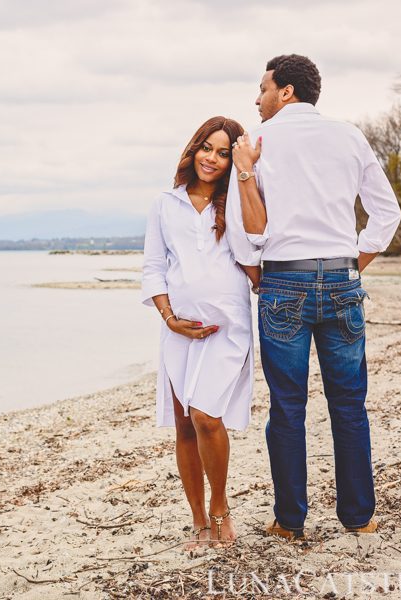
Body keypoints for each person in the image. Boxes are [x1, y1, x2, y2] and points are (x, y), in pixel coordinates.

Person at [228, 54, 401, 540]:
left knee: (287, 407)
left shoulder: (256, 143)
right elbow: (387, 213)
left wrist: (260, 278)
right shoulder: (349, 136)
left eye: (263, 88)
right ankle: (359, 518)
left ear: (286, 91)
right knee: (349, 404)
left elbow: (243, 231)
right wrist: (352, 264)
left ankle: (290, 521)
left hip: (284, 280)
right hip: (342, 279)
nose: (257, 98)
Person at [141, 116, 260, 548]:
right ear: (193, 149)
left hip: (228, 328)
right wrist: (169, 317)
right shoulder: (165, 204)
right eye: (206, 148)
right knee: (184, 425)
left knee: (206, 417)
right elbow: (154, 266)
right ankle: (198, 520)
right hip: (179, 331)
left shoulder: (238, 202)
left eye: (223, 153)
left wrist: (246, 173)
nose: (212, 158)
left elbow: (258, 241)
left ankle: (220, 506)